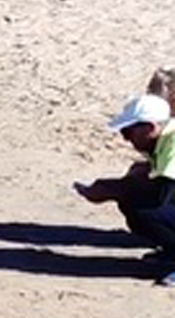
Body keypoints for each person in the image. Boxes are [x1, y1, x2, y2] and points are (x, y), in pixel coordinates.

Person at [73, 94, 175, 284]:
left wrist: (114, 189)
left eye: (128, 132)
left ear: (151, 127)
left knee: (142, 210)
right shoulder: (166, 138)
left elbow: (160, 197)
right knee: (134, 201)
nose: (127, 140)